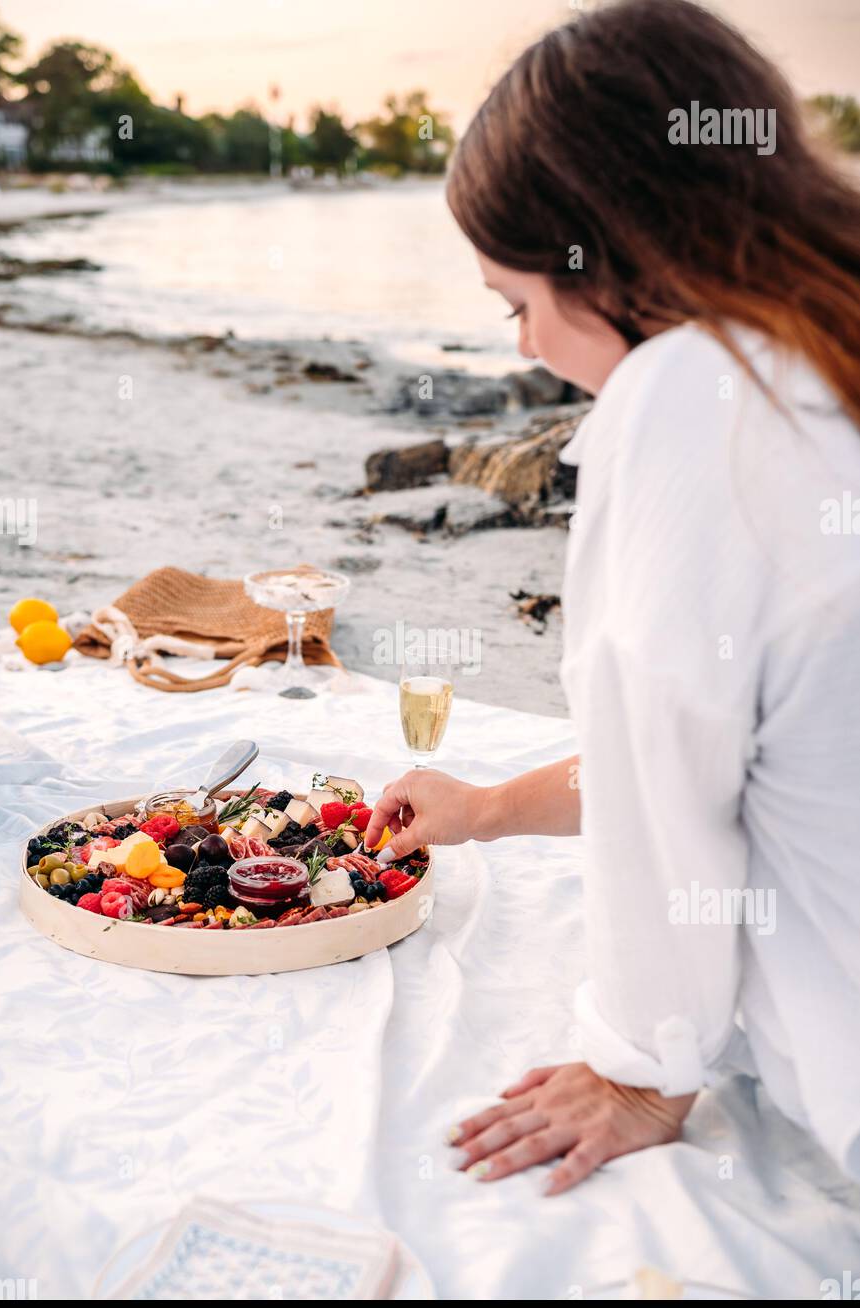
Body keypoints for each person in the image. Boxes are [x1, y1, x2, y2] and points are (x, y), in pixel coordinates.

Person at [364, 0, 860, 1195]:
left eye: (516, 301)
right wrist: (483, 808)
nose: (528, 348)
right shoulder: (821, 344)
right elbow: (723, 744)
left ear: (607, 247)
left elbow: (671, 800)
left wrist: (645, 1063)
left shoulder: (695, 389)